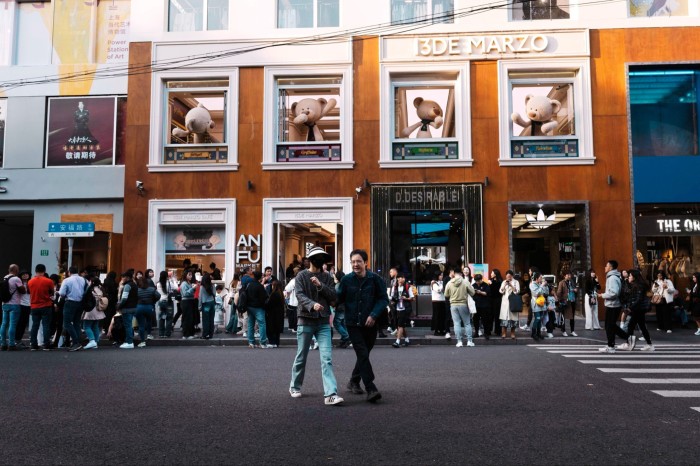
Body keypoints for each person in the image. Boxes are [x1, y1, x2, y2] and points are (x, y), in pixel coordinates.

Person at [289, 247, 343, 405]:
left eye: (322, 258)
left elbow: (333, 296)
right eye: (317, 258)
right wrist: (312, 305)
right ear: (310, 260)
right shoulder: (301, 275)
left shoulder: (327, 277)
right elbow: (299, 295)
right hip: (305, 320)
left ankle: (330, 394)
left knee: (327, 359)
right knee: (301, 356)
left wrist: (320, 285)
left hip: (323, 322)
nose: (320, 261)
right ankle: (295, 386)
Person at [337, 249, 389, 403]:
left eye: (358, 261)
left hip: (370, 324)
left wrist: (374, 314)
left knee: (364, 354)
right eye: (353, 261)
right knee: (362, 352)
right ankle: (370, 387)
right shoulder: (346, 280)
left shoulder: (375, 279)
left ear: (365, 262)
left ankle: (353, 381)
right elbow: (337, 298)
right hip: (352, 323)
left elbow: (383, 299)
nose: (355, 264)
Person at [617, 269, 654, 351]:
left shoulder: (638, 286)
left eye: (630, 276)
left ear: (634, 277)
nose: (628, 277)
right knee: (642, 326)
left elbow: (638, 299)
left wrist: (630, 308)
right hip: (638, 309)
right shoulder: (636, 285)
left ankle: (628, 344)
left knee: (631, 326)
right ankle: (649, 345)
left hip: (638, 309)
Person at [597, 260, 627, 353]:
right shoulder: (613, 277)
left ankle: (611, 346)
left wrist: (602, 295)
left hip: (613, 305)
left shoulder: (612, 278)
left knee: (609, 326)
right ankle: (614, 343)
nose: (605, 267)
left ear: (611, 267)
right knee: (610, 326)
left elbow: (614, 293)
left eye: (606, 266)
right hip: (613, 305)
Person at [444, 269, 476, 347]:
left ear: (454, 274)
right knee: (467, 323)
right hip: (463, 304)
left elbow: (446, 295)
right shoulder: (465, 282)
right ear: (461, 274)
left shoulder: (449, 282)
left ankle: (459, 341)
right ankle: (469, 341)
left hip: (453, 305)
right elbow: (473, 292)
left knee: (456, 323)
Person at [58, 266, 86, 352]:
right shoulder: (83, 279)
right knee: (77, 323)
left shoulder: (67, 280)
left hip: (70, 302)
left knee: (67, 323)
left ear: (69, 272)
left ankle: (75, 342)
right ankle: (79, 342)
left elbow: (62, 293)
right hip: (81, 303)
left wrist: (58, 293)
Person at [28, 264, 54, 351]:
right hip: (46, 305)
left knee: (35, 325)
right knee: (46, 325)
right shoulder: (49, 281)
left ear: (35, 271)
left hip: (34, 306)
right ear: (44, 271)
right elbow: (51, 292)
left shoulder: (30, 281)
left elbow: (29, 292)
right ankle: (46, 344)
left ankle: (33, 344)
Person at [1, 264, 27, 351]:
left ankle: (3, 343)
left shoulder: (5, 277)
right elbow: (23, 290)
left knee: (4, 324)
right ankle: (11, 344)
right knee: (12, 324)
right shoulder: (16, 279)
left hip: (5, 303)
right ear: (16, 270)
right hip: (14, 304)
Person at [246, 270, 273, 348]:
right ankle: (263, 342)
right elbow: (263, 298)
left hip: (249, 307)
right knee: (262, 324)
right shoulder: (260, 286)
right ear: (260, 277)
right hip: (258, 307)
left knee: (250, 324)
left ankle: (251, 342)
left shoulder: (249, 285)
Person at [81, 276, 106, 350]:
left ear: (91, 282)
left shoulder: (90, 289)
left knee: (86, 326)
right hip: (99, 309)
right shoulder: (101, 289)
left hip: (91, 309)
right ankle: (96, 341)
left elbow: (85, 297)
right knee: (95, 326)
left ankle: (92, 341)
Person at [390, 274, 414, 348]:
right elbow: (392, 297)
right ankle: (406, 339)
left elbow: (412, 298)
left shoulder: (407, 287)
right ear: (397, 279)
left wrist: (405, 298)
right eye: (399, 278)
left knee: (400, 325)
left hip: (405, 309)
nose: (401, 279)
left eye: (402, 278)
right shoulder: (395, 287)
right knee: (400, 326)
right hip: (396, 308)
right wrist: (393, 301)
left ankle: (397, 342)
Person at [117, 271, 139, 349]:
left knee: (128, 326)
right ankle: (128, 341)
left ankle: (129, 342)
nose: (122, 278)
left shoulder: (127, 286)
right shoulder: (134, 285)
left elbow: (124, 298)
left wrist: (119, 306)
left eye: (124, 277)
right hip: (134, 307)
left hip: (127, 308)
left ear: (128, 277)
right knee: (130, 325)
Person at [135, 276, 160, 347]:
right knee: (149, 321)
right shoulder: (152, 289)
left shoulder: (137, 290)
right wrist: (153, 301)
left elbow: (134, 298)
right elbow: (158, 295)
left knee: (141, 325)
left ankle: (142, 341)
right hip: (149, 307)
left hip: (139, 307)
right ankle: (149, 334)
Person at [498, 270, 520, 339]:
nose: (508, 278)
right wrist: (504, 285)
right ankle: (504, 333)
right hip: (505, 302)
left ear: (512, 276)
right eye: (507, 277)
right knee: (504, 317)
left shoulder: (516, 282)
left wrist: (511, 285)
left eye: (510, 277)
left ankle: (512, 333)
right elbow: (500, 291)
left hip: (513, 302)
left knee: (513, 318)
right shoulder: (504, 282)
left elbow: (517, 292)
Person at [332, 270, 351, 348]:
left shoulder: (338, 286)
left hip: (340, 306)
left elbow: (336, 297)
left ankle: (346, 336)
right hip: (346, 306)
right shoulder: (347, 285)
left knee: (336, 323)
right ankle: (344, 340)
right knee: (342, 323)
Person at [556, 271, 578, 337]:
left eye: (570, 275)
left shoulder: (572, 282)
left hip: (572, 301)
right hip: (565, 302)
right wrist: (559, 301)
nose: (569, 276)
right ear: (564, 276)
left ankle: (572, 331)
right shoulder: (561, 283)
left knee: (572, 317)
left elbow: (575, 289)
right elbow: (559, 293)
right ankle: (563, 331)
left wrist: (575, 290)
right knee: (563, 317)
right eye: (567, 275)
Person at [529, 272, 549, 341]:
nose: (541, 279)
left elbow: (546, 293)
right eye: (540, 277)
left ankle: (538, 333)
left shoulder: (541, 284)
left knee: (540, 319)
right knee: (537, 319)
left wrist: (545, 286)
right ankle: (533, 333)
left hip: (542, 304)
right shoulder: (532, 285)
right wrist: (542, 285)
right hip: (536, 305)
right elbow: (536, 293)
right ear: (536, 278)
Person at [265, 279, 285, 347]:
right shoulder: (281, 294)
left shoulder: (274, 294)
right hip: (279, 314)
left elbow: (269, 304)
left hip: (272, 314)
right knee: (277, 331)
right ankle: (276, 342)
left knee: (271, 329)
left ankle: (272, 342)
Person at [156, 271, 175, 338]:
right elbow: (176, 288)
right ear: (167, 276)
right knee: (169, 318)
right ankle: (167, 333)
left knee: (161, 318)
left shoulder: (158, 284)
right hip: (168, 302)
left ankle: (161, 333)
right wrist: (172, 279)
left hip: (161, 302)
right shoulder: (169, 283)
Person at [15, 270, 31, 348]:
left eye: (26, 274)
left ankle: (19, 340)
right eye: (23, 274)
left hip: (28, 305)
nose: (25, 275)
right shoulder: (19, 283)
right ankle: (17, 340)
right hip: (21, 305)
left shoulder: (30, 283)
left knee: (24, 323)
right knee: (20, 323)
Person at [472, 274, 491, 340]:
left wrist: (480, 292)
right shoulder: (473, 285)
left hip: (484, 305)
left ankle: (486, 333)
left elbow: (487, 293)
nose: (477, 282)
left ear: (481, 279)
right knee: (475, 320)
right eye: (476, 281)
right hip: (476, 305)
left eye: (479, 281)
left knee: (485, 320)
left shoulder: (486, 285)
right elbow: (471, 293)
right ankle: (476, 332)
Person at [179, 270, 196, 340]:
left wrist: (193, 288)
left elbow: (191, 293)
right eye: (189, 275)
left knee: (191, 318)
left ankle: (191, 333)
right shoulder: (184, 283)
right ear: (185, 275)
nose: (191, 276)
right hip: (186, 301)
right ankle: (186, 334)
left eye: (191, 275)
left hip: (190, 301)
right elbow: (185, 293)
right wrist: (192, 288)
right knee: (187, 318)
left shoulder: (188, 283)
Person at [198, 273, 216, 339]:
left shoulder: (202, 287)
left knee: (205, 320)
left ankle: (205, 334)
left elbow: (200, 297)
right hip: (212, 303)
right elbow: (214, 294)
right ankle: (210, 334)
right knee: (211, 319)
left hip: (205, 303)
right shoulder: (212, 286)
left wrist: (199, 306)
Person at [430, 272, 447, 336]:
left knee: (442, 316)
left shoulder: (441, 282)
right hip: (436, 301)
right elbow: (438, 290)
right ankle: (436, 330)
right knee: (437, 316)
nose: (441, 277)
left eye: (442, 275)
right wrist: (443, 285)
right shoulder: (433, 282)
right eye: (440, 275)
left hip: (442, 301)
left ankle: (442, 329)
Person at [284, 268, 299, 334]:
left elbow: (287, 289)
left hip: (294, 301)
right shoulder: (303, 280)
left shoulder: (293, 281)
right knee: (296, 315)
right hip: (300, 301)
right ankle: (295, 327)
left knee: (294, 315)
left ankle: (293, 327)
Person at [489, 269, 504, 337]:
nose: (491, 274)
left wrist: (491, 284)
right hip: (491, 300)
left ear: (495, 274)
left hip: (497, 300)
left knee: (497, 316)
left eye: (492, 273)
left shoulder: (500, 282)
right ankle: (489, 330)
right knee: (490, 315)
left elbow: (497, 291)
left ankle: (498, 331)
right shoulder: (490, 280)